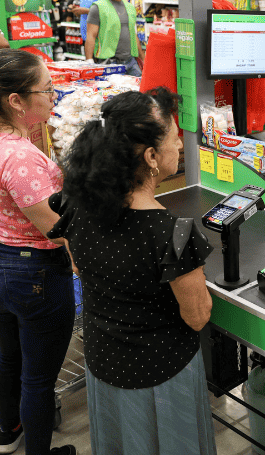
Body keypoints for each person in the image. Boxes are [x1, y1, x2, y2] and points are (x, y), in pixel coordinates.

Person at [49, 89, 216, 455]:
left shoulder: (76, 206)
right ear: (151, 156)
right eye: (174, 138)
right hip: (160, 375)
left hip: (104, 363)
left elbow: (78, 265)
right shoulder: (172, 233)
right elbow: (198, 316)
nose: (180, 146)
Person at [0, 49, 76, 455]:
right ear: (16, 101)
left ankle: (8, 435)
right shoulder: (21, 156)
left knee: (9, 357)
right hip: (32, 275)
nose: (54, 96)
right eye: (47, 89)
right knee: (38, 379)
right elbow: (55, 229)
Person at [85, 0, 144, 77]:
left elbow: (133, 34)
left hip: (131, 61)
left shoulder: (130, 7)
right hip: (109, 62)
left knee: (139, 86)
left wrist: (143, 59)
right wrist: (89, 61)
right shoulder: (97, 7)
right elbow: (90, 36)